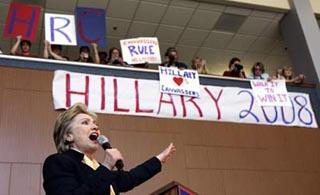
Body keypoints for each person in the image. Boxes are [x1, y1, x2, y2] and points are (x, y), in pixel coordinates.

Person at [43, 103, 176, 195]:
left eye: (95, 123)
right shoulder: (57, 162)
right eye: (85, 122)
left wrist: (159, 159)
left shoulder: (97, 167)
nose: (95, 127)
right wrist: (106, 166)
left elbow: (130, 178)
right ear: (68, 136)